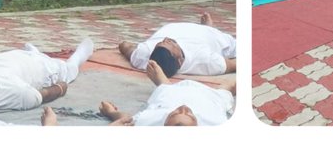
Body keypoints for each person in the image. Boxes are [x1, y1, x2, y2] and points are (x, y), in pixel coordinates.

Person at [0, 38, 94, 113]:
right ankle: (80, 54)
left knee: (29, 54)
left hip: (13, 56)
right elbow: (43, 94)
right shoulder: (18, 94)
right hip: (42, 68)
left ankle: (33, 52)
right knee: (69, 70)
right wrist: (60, 88)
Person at [99, 61, 233, 126]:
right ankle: (164, 83)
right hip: (208, 97)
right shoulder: (217, 122)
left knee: (166, 95)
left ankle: (163, 83)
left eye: (174, 114)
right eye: (190, 115)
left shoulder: (149, 123)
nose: (183, 108)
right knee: (229, 86)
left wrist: (110, 113)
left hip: (168, 97)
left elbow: (126, 119)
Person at [119, 16, 236, 78]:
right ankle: (209, 28)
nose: (166, 39)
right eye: (171, 43)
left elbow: (125, 46)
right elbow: (235, 65)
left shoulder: (144, 55)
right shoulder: (205, 61)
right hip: (212, 37)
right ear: (180, 61)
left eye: (162, 42)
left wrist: (125, 46)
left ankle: (207, 28)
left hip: (177, 27)